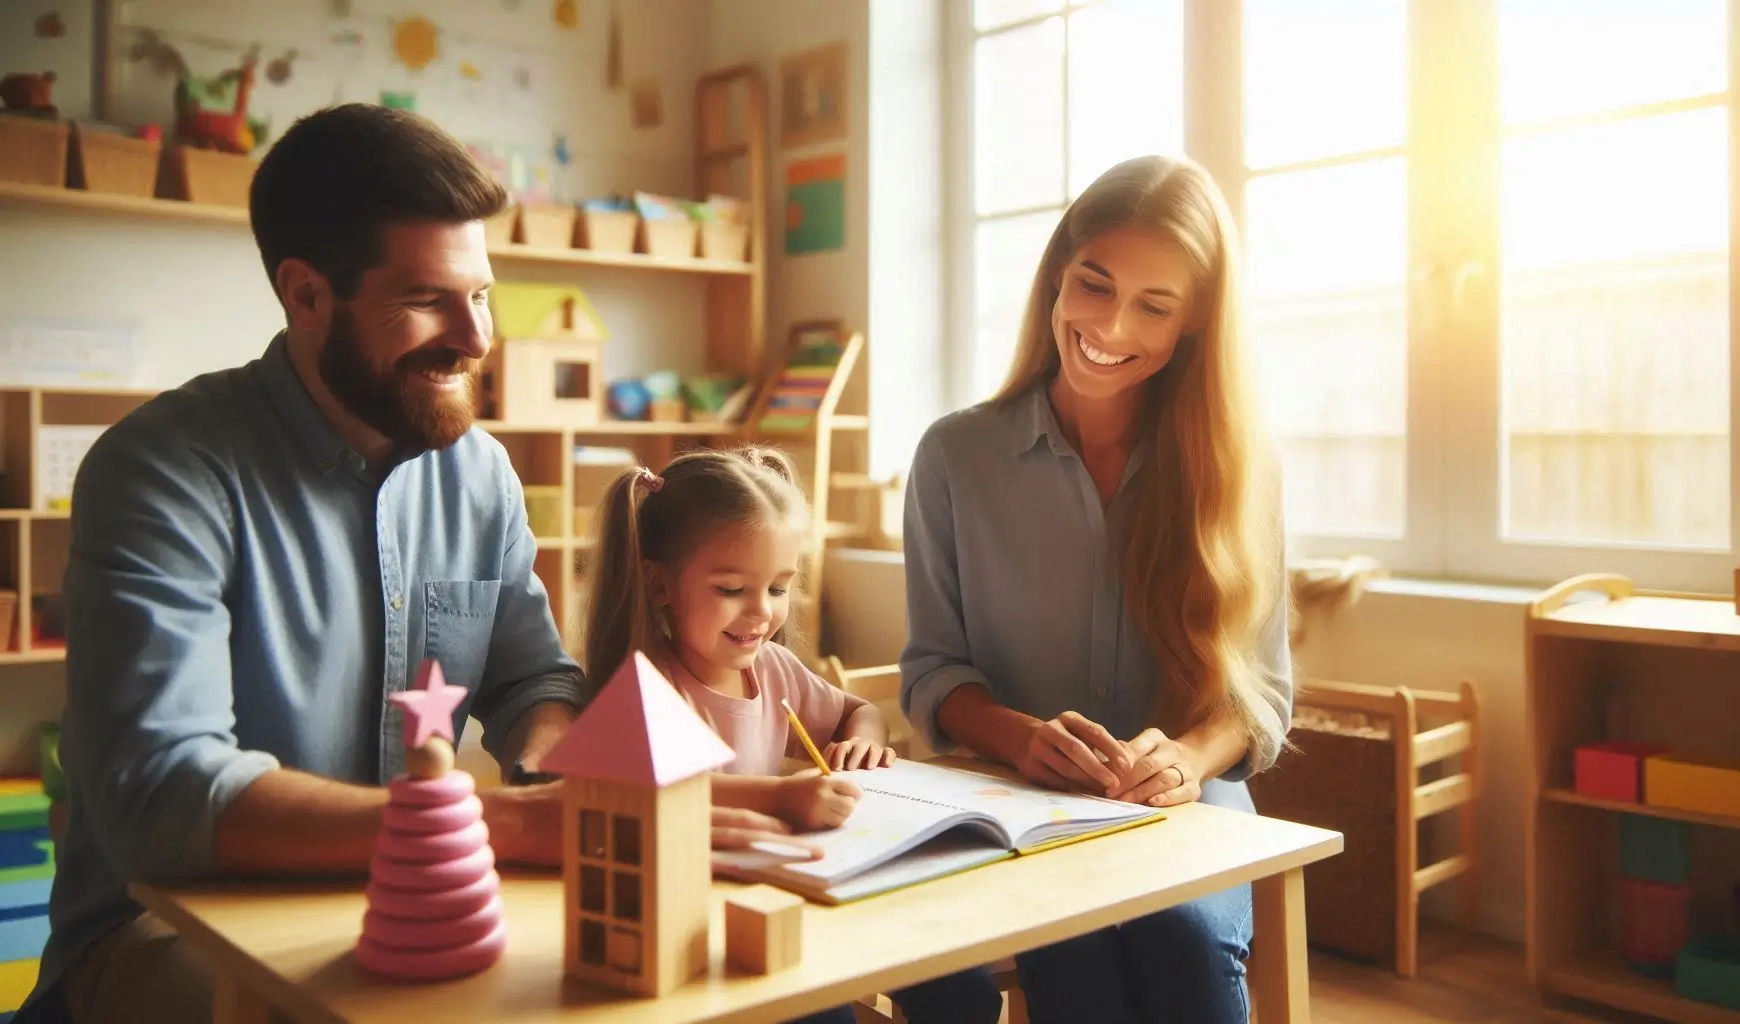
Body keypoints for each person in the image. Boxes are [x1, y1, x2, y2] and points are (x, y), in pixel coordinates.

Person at [14, 103, 810, 1024]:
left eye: (481, 295)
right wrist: (510, 823)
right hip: (166, 926)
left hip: (429, 891)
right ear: (307, 295)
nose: (476, 339)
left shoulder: (481, 477)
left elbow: (531, 680)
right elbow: (163, 794)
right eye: (428, 300)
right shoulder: (162, 470)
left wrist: (570, 788)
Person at [899, 153, 1295, 1024]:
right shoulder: (954, 458)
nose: (1111, 325)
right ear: (1056, 276)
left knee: (1183, 941)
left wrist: (1187, 760)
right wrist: (1018, 737)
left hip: (1191, 808)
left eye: (1155, 305)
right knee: (1075, 955)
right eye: (1095, 284)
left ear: (1193, 323)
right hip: (1024, 807)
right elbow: (933, 671)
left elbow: (1260, 694)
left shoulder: (1239, 469)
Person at [581, 446, 1003, 1024]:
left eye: (778, 588)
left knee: (963, 987)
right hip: (704, 916)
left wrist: (865, 740)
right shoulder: (648, 690)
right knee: (819, 1012)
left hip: (801, 885)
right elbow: (669, 797)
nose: (761, 613)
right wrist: (782, 797)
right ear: (658, 586)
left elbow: (861, 711)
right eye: (732, 590)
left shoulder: (770, 670)